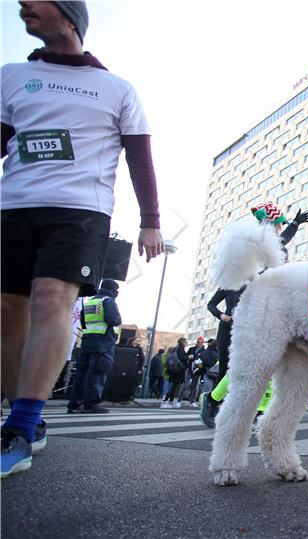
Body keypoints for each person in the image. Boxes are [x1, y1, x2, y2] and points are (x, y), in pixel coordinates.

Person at [1, 1, 165, 478]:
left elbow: (140, 158)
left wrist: (150, 220)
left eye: (37, 0)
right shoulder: (11, 76)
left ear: (68, 15)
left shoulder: (115, 88)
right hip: (15, 205)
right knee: (8, 311)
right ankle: (20, 414)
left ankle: (23, 424)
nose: (22, 5)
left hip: (79, 211)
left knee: (52, 297)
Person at [199, 203, 308, 427]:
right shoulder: (259, 242)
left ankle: (258, 410)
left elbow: (280, 245)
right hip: (256, 306)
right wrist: (295, 225)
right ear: (271, 224)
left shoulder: (269, 243)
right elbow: (279, 242)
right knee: (250, 360)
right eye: (279, 224)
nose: (281, 229)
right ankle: (212, 399)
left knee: (269, 358)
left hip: (272, 304)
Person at [66, 278, 122, 414]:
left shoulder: (90, 302)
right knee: (96, 374)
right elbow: (113, 320)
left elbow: (83, 323)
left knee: (81, 374)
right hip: (102, 343)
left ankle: (74, 404)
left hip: (86, 343)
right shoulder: (107, 301)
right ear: (112, 290)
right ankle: (90, 404)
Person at [185, 336, 206, 407]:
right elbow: (185, 357)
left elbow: (204, 361)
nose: (199, 343)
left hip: (197, 370)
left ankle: (192, 401)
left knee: (195, 386)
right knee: (185, 385)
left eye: (201, 342)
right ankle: (179, 400)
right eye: (198, 342)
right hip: (189, 368)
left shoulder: (204, 351)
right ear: (196, 342)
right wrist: (188, 357)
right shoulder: (191, 349)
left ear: (203, 343)